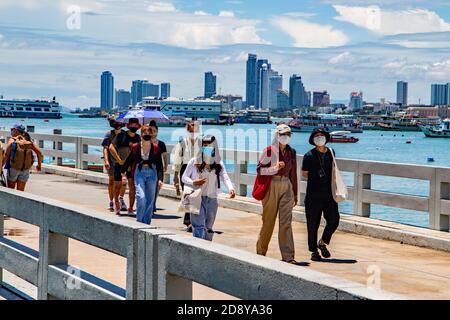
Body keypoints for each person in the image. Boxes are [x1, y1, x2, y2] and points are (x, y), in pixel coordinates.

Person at [256, 124, 298, 264]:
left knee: (286, 222)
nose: (286, 137)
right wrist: (274, 168)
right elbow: (260, 170)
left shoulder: (291, 152)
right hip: (271, 186)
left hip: (287, 186)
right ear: (277, 135)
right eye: (283, 134)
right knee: (268, 221)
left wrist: (295, 193)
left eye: (288, 134)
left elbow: (293, 174)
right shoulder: (269, 151)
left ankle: (288, 256)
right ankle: (261, 251)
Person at [182, 135, 235, 241]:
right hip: (197, 198)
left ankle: (207, 251)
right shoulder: (194, 161)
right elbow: (184, 177)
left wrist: (230, 189)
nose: (206, 147)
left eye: (209, 145)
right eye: (204, 145)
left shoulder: (218, 163)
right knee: (198, 227)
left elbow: (225, 177)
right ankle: (197, 250)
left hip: (212, 199)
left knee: (209, 228)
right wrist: (193, 181)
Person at [301, 128, 340, 262]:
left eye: (322, 135)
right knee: (312, 224)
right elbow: (304, 174)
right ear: (312, 139)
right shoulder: (309, 155)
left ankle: (322, 242)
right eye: (316, 136)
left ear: (326, 138)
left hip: (329, 194)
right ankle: (314, 251)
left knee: (334, 220)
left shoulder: (331, 152)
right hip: (313, 195)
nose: (319, 138)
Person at [120, 125, 163, 225]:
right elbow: (128, 160)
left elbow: (160, 165)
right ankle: (139, 222)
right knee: (141, 197)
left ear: (151, 135)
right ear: (141, 134)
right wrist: (123, 174)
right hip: (139, 172)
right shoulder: (135, 147)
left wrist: (160, 179)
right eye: (145, 133)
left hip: (152, 173)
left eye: (149, 133)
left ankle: (146, 223)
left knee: (150, 199)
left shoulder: (156, 148)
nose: (147, 135)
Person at [172, 121, 202, 232]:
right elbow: (177, 160)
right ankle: (188, 221)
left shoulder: (202, 143)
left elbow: (209, 157)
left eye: (195, 130)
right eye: (191, 130)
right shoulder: (182, 143)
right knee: (188, 194)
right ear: (187, 131)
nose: (193, 132)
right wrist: (175, 177)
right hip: (185, 170)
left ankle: (194, 220)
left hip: (199, 169)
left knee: (197, 195)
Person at [109, 118, 141, 215]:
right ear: (128, 125)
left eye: (136, 125)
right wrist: (118, 160)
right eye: (132, 124)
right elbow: (111, 147)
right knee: (117, 185)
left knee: (132, 187)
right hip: (119, 164)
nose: (134, 126)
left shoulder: (138, 138)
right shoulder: (121, 135)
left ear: (138, 127)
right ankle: (117, 203)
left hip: (132, 165)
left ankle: (131, 208)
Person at [3, 124, 43, 191]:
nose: (11, 131)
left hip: (14, 168)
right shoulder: (28, 141)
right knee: (21, 192)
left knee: (11, 191)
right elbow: (39, 153)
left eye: (12, 129)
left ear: (16, 130)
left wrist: (1, 166)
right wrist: (39, 165)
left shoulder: (12, 140)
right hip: (25, 169)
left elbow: (6, 155)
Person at [102, 118, 127, 212]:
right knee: (112, 181)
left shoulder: (124, 134)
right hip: (111, 161)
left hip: (122, 161)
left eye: (120, 125)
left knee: (123, 182)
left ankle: (121, 198)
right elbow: (105, 148)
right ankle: (111, 201)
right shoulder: (109, 134)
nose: (118, 127)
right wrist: (106, 161)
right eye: (116, 125)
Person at [148, 120, 168, 214]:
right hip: (148, 167)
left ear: (157, 131)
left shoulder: (161, 144)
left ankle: (153, 203)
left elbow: (164, 156)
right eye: (150, 131)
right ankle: (150, 205)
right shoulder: (145, 143)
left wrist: (166, 165)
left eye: (154, 131)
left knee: (157, 187)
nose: (153, 133)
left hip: (158, 168)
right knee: (149, 188)